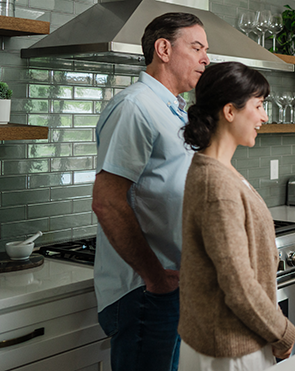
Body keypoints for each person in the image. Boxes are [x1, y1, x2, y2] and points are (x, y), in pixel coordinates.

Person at [91, 12, 209, 370]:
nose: (206, 58)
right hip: (143, 289)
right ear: (163, 49)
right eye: (197, 47)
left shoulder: (172, 110)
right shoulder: (135, 107)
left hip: (168, 283)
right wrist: (154, 276)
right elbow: (107, 201)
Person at [178, 62, 295, 371]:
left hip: (235, 340)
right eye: (258, 106)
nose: (264, 116)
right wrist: (282, 332)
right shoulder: (216, 184)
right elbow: (239, 285)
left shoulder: (218, 170)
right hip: (231, 349)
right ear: (229, 111)